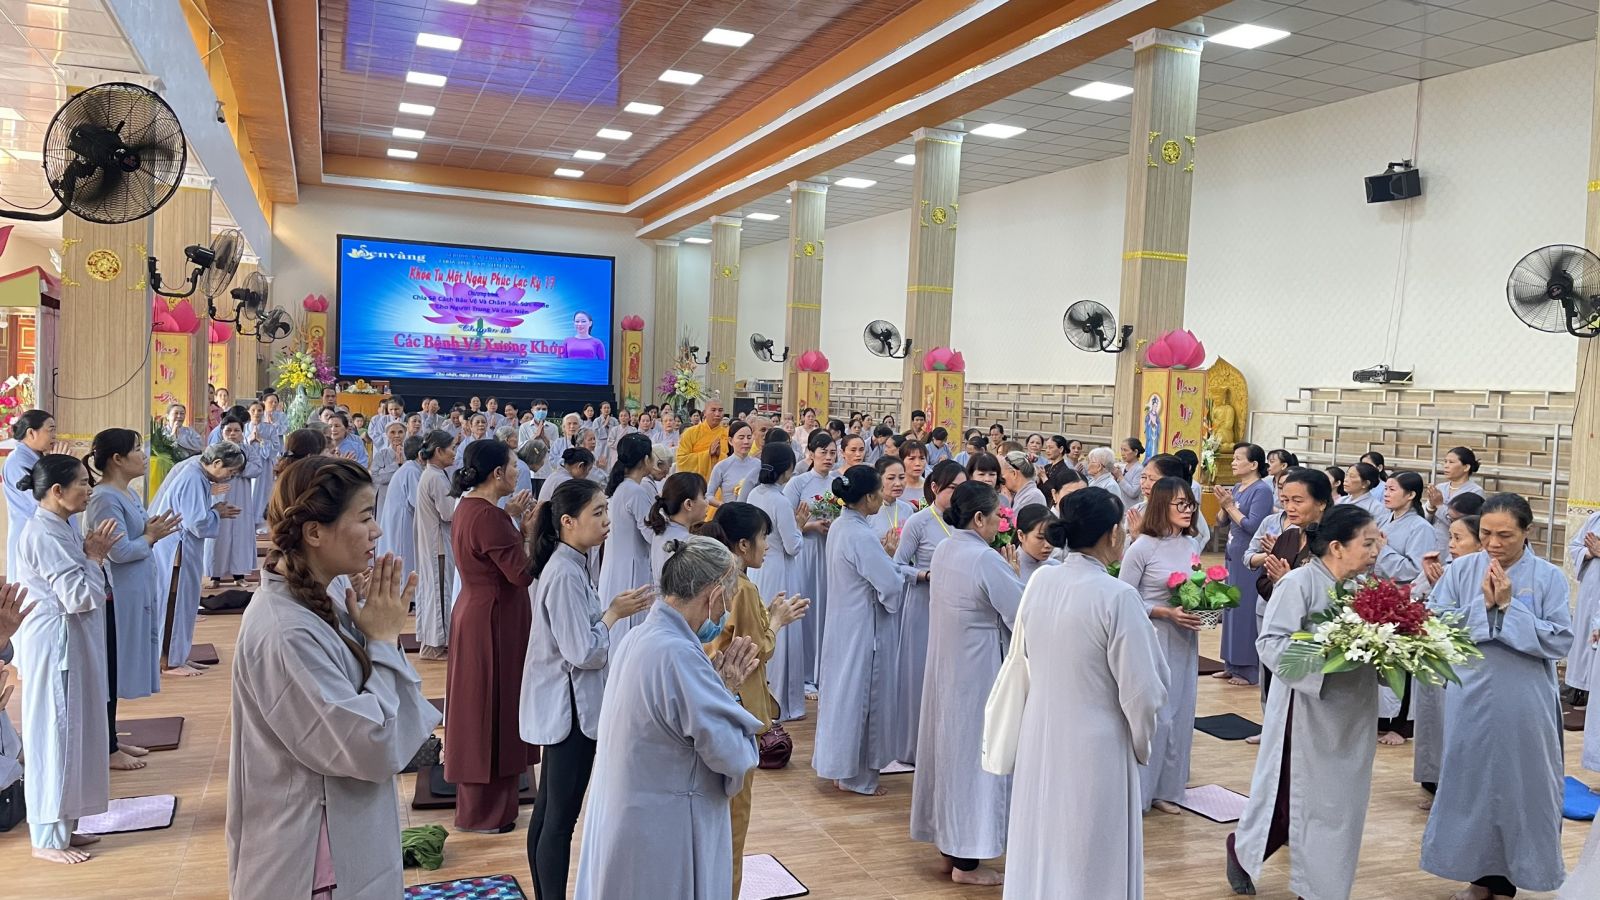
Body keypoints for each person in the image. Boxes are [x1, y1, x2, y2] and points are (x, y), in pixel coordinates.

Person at [227, 457, 442, 899]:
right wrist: (382, 641)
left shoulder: (321, 599)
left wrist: (373, 632)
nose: (376, 531)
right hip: (314, 854)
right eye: (365, 518)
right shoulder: (285, 629)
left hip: (339, 828)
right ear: (314, 532)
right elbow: (369, 745)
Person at [570, 532, 761, 898]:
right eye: (726, 602)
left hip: (628, 814)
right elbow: (733, 756)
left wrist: (716, 689)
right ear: (714, 595)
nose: (723, 615)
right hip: (662, 829)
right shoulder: (679, 655)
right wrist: (728, 692)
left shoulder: (638, 638)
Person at [1001, 487, 1166, 898]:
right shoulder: (1117, 596)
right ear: (1112, 534)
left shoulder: (1041, 580)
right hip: (1095, 743)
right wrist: (1142, 742)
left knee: (1044, 840)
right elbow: (1143, 690)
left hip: (1040, 731)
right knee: (1088, 851)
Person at [1421, 493, 1572, 900]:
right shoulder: (1461, 570)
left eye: (1505, 535)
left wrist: (1508, 607)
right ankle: (1478, 877)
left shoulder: (1548, 577)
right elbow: (1435, 623)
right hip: (1470, 691)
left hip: (1524, 696)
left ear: (1527, 532)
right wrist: (1483, 608)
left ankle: (1512, 878)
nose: (1493, 543)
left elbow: (1560, 640)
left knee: (1521, 786)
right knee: (1471, 783)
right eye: (1486, 533)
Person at [1227, 504, 1382, 900]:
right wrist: (1329, 657)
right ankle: (1304, 884)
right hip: (1308, 710)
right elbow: (1271, 644)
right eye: (1367, 543)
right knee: (1301, 800)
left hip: (1353, 714)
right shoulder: (1299, 583)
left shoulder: (1364, 588)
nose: (1375, 551)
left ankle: (1298, 875)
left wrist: (1389, 649)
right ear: (1337, 546)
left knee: (1343, 805)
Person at [520, 479, 653, 900]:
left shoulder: (572, 563)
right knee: (559, 820)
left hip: (571, 704)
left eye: (605, 510)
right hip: (571, 710)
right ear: (567, 521)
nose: (606, 520)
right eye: (597, 512)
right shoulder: (564, 572)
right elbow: (583, 652)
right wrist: (613, 613)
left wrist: (608, 613)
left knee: (548, 814)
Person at [911, 481, 1023, 886]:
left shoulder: (945, 548)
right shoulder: (984, 558)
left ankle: (950, 847)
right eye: (995, 516)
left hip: (948, 667)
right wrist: (1015, 575)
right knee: (975, 759)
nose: (998, 524)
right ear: (979, 518)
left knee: (949, 755)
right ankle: (967, 860)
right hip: (977, 672)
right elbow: (1020, 614)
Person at [11, 454, 119, 864]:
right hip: (56, 648)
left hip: (73, 643)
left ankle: (66, 825)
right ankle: (46, 837)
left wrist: (91, 556)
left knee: (76, 732)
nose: (89, 490)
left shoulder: (62, 526)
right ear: (57, 491)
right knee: (55, 735)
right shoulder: (44, 534)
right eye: (82, 484)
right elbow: (78, 596)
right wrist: (94, 557)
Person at [696, 506, 807, 894]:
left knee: (721, 816)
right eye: (763, 538)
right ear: (743, 545)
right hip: (738, 704)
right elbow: (756, 650)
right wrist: (777, 621)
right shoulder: (741, 587)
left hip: (721, 701)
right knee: (734, 819)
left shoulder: (723, 579)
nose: (767, 546)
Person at [446, 439, 537, 833]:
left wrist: (516, 526)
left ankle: (488, 808)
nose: (518, 472)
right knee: (492, 708)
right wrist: (532, 535)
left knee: (479, 705)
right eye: (513, 466)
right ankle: (489, 812)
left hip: (478, 610)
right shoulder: (489, 517)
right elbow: (521, 573)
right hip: (493, 620)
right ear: (497, 473)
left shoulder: (470, 507)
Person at [812, 464, 920, 796]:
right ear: (869, 498)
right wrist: (894, 567)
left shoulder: (842, 527)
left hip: (844, 621)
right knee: (862, 698)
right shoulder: (860, 534)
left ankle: (839, 768)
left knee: (841, 694)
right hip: (864, 627)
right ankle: (856, 777)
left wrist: (885, 558)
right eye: (878, 493)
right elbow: (889, 585)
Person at [85, 429, 181, 768]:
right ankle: (107, 747)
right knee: (111, 671)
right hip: (117, 596)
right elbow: (119, 551)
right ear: (117, 459)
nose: (143, 456)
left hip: (135, 589)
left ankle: (111, 739)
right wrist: (151, 536)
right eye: (137, 449)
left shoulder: (126, 493)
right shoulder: (104, 498)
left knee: (117, 669)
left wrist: (152, 530)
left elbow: (138, 535)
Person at [1119, 476, 1203, 815]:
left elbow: (1196, 586)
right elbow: (1123, 599)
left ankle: (1168, 788)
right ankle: (1140, 790)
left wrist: (1208, 604)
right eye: (1180, 504)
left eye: (1190, 504)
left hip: (1184, 637)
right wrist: (1164, 611)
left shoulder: (1191, 544)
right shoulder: (1141, 548)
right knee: (1157, 715)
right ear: (1160, 505)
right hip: (1153, 636)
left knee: (1181, 713)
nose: (1188, 510)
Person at [151, 442, 246, 677]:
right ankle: (168, 661)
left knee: (186, 604)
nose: (230, 477)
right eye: (230, 471)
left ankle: (179, 655)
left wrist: (214, 511)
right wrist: (217, 512)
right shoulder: (193, 477)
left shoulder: (199, 474)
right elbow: (196, 523)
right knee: (174, 604)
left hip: (185, 549)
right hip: (177, 551)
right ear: (216, 463)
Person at [892, 461, 965, 761]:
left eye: (963, 488)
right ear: (935, 488)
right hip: (923, 605)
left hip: (955, 608)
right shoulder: (919, 521)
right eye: (953, 488)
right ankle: (913, 745)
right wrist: (925, 575)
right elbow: (897, 565)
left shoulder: (965, 522)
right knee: (919, 674)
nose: (958, 494)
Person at [1252, 468, 1334, 718]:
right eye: (1286, 500)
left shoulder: (1332, 543)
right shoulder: (1287, 537)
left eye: (1298, 501)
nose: (1290, 507)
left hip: (1314, 632)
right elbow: (1262, 582)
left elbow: (1331, 590)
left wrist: (1288, 582)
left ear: (1321, 503)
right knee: (1274, 686)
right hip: (1280, 624)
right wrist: (1280, 584)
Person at [1414, 514, 1482, 807]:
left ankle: (1457, 792)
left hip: (1468, 664)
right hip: (1437, 657)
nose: (1451, 544)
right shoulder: (1449, 569)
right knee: (1436, 723)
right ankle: (1435, 782)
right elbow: (1428, 605)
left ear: (1481, 543)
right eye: (1450, 537)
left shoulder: (1491, 573)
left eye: (1458, 538)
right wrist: (1434, 584)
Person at [746, 442, 810, 721]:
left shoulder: (754, 493)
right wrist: (800, 525)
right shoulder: (780, 501)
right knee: (781, 629)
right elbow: (793, 546)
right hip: (780, 569)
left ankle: (761, 696)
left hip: (759, 568)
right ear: (787, 469)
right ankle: (783, 702)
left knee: (762, 624)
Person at [1375, 471, 1433, 745]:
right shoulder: (1384, 520)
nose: (1386, 494)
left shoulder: (1420, 527)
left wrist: (1383, 550)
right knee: (1381, 658)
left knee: (1403, 662)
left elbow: (1414, 569)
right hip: (1380, 597)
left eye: (1392, 489)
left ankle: (1401, 724)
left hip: (1405, 600)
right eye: (1385, 489)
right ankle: (1382, 718)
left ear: (1410, 495)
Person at [1213, 443, 1273, 686]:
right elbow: (1221, 522)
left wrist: (1230, 506)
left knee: (1246, 610)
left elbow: (1252, 526)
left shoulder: (1262, 491)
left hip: (1250, 559)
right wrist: (1223, 505)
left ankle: (1248, 670)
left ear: (1254, 464)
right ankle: (1230, 663)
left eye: (1238, 459)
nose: (1233, 462)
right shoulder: (1237, 487)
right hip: (1232, 554)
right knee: (1231, 609)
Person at [786, 431, 836, 689]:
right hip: (806, 551)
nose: (828, 457)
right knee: (807, 607)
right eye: (823, 452)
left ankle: (824, 671)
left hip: (830, 551)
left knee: (827, 608)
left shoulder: (838, 482)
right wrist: (810, 526)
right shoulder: (799, 483)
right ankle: (804, 673)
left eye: (832, 453)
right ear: (811, 454)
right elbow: (785, 521)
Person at [598, 433, 657, 642]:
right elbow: (651, 534)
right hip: (631, 568)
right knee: (629, 630)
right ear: (646, 459)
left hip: (615, 564)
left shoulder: (620, 487)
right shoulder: (635, 491)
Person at [412, 430, 457, 660]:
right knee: (439, 592)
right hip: (437, 544)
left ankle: (434, 643)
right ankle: (434, 645)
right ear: (439, 451)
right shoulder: (436, 478)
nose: (454, 453)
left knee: (434, 591)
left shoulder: (434, 474)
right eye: (451, 448)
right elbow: (449, 513)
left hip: (434, 541)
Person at [206, 420, 267, 587]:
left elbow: (257, 469)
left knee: (240, 535)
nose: (232, 434)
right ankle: (215, 577)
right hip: (220, 497)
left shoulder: (248, 450)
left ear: (242, 432)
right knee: (219, 535)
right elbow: (208, 470)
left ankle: (239, 575)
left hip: (242, 498)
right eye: (228, 430)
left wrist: (238, 468)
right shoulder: (214, 450)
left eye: (236, 430)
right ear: (222, 432)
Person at [4, 409, 65, 579]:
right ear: (31, 432)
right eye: (50, 429)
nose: (54, 435)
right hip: (29, 533)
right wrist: (58, 466)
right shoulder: (17, 461)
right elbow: (45, 502)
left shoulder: (38, 458)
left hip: (44, 534)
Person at [647, 472, 708, 584]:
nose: (707, 502)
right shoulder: (688, 542)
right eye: (704, 497)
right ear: (688, 504)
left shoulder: (662, 530)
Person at [377, 436, 423, 577]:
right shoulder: (412, 471)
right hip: (402, 524)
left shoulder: (410, 468)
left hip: (398, 521)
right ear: (421, 454)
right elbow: (418, 503)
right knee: (403, 563)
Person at [1569, 505, 1600, 709]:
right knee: (1585, 637)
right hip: (1592, 588)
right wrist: (1589, 552)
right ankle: (1581, 687)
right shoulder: (1596, 519)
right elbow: (1575, 547)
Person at [675, 399, 728, 484]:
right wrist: (708, 453)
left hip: (721, 484)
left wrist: (720, 456)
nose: (717, 414)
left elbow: (735, 461)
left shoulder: (728, 434)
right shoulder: (690, 433)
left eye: (720, 410)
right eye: (713, 410)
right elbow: (681, 461)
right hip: (696, 484)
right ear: (704, 413)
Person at [870, 456, 915, 538]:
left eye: (902, 477)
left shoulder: (907, 509)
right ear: (878, 479)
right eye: (891, 478)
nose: (898, 483)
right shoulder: (868, 511)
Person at [1015, 504, 1058, 583]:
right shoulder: (1007, 569)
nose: (1048, 545)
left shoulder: (1056, 567)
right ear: (1021, 535)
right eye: (1040, 537)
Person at [1116, 438, 1145, 505]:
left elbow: (1133, 493)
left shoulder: (1139, 469)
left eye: (1125, 450)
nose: (1122, 453)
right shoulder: (1123, 467)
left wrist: (1120, 477)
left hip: (1132, 509)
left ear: (1135, 452)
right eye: (1121, 449)